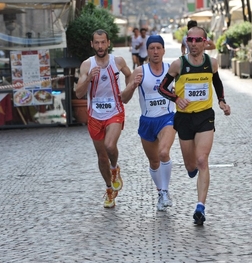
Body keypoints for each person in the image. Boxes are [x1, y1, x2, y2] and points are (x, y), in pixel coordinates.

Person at [158, 26, 231, 225]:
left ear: (205, 42)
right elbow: (162, 87)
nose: (193, 44)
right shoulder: (178, 65)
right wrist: (176, 98)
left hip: (205, 116)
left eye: (198, 40)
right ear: (186, 42)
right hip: (184, 119)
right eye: (190, 40)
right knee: (191, 166)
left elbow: (217, 83)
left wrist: (222, 101)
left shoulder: (212, 63)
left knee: (201, 159)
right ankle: (193, 171)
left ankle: (200, 207)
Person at [75, 29, 132, 208]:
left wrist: (127, 91)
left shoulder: (118, 61)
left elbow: (129, 75)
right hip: (95, 115)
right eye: (96, 43)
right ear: (92, 44)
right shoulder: (87, 65)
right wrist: (89, 79)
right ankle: (109, 189)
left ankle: (115, 169)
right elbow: (78, 93)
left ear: (108, 43)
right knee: (101, 157)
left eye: (103, 42)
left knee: (109, 146)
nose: (100, 46)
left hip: (114, 111)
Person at [121, 35, 176, 211]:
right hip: (147, 121)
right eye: (151, 48)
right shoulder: (140, 71)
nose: (155, 51)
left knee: (163, 152)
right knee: (154, 162)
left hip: (167, 118)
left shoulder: (171, 69)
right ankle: (160, 192)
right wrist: (132, 86)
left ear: (163, 50)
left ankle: (165, 192)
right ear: (147, 51)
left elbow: (184, 90)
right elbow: (124, 98)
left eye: (158, 48)